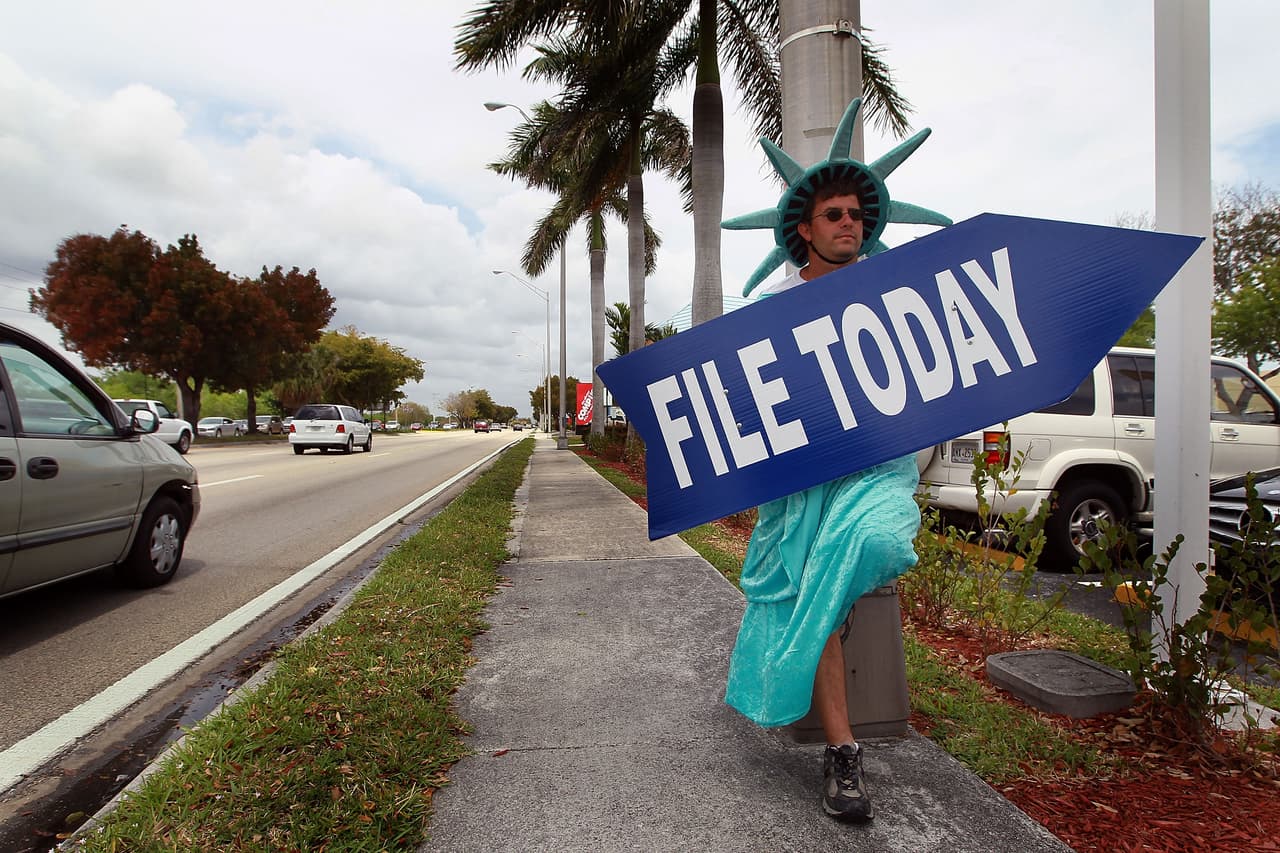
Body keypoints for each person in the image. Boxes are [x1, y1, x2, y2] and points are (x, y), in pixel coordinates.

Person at [719, 98, 949, 824]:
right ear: (804, 230)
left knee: (874, 541)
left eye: (855, 213)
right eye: (834, 215)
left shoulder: (899, 291)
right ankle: (843, 753)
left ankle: (831, 611)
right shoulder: (774, 310)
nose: (850, 222)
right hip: (805, 482)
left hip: (880, 471)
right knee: (814, 577)